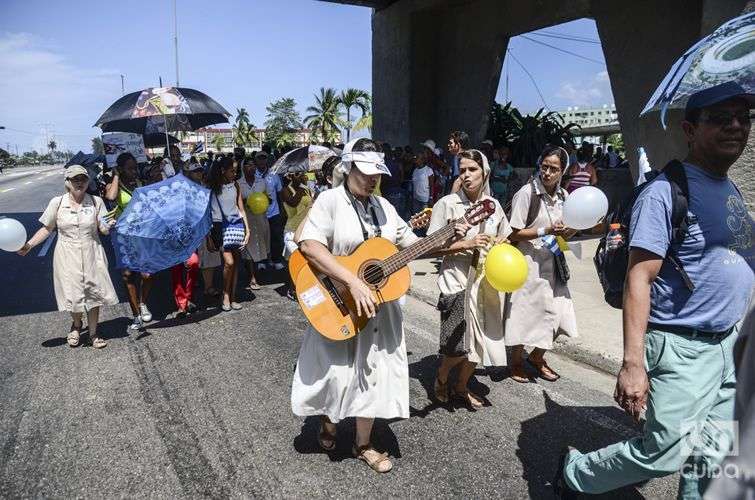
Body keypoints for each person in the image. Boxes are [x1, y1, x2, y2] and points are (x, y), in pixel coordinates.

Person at [555, 81, 755, 499]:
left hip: (729, 345)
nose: (736, 126)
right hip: (681, 347)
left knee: (717, 454)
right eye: (720, 118)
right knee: (664, 452)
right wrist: (632, 364)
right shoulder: (665, 193)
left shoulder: (731, 189)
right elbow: (638, 278)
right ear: (689, 129)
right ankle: (577, 474)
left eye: (743, 117)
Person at [291, 137, 471, 473]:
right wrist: (353, 280)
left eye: (378, 173)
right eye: (367, 172)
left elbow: (413, 246)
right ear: (349, 167)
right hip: (339, 303)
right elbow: (310, 246)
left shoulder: (383, 207)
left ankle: (364, 444)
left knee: (373, 375)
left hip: (378, 309)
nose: (374, 179)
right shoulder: (330, 201)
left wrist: (449, 236)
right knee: (337, 373)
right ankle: (330, 422)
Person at [429, 149, 511, 409]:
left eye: (472, 169)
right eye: (462, 170)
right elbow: (430, 247)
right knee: (456, 344)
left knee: (481, 341)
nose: (466, 175)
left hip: (486, 280)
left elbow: (506, 236)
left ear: (484, 172)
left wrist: (499, 242)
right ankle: (442, 377)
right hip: (457, 277)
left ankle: (461, 387)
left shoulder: (494, 205)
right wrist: (464, 242)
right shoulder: (447, 204)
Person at [18, 165, 118, 348]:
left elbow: (103, 229)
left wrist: (109, 224)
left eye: (83, 179)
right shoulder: (57, 202)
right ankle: (77, 324)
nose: (80, 182)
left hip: (92, 250)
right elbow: (46, 228)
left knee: (93, 291)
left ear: (88, 181)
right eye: (75, 179)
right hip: (66, 253)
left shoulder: (96, 202)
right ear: (68, 182)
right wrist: (29, 245)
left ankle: (94, 333)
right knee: (72, 293)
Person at [505, 145, 578, 383]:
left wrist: (570, 231)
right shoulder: (527, 193)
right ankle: (516, 361)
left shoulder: (565, 197)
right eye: (544, 166)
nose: (547, 172)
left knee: (560, 314)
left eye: (553, 169)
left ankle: (536, 357)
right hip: (528, 263)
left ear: (562, 171)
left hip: (554, 262)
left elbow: (564, 234)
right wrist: (545, 230)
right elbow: (513, 233)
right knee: (524, 314)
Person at [104, 152, 153, 330]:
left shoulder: (140, 185)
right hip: (122, 235)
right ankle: (136, 315)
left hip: (141, 234)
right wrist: (116, 175)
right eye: (129, 168)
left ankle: (142, 303)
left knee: (147, 274)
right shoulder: (113, 185)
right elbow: (110, 197)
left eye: (135, 168)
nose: (134, 171)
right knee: (128, 275)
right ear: (121, 169)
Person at [208, 156, 250, 311]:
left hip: (237, 227)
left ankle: (232, 297)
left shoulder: (236, 185)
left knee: (236, 264)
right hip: (219, 228)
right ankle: (225, 295)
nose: (235, 173)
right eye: (232, 170)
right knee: (229, 263)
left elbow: (241, 209)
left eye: (236, 170)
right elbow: (208, 213)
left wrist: (248, 230)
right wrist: (208, 237)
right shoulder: (212, 187)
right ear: (223, 170)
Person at [170, 161, 203, 317]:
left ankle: (188, 298)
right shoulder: (176, 189)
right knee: (177, 271)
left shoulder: (202, 190)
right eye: (195, 171)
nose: (199, 174)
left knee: (193, 263)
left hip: (192, 237)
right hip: (175, 236)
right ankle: (181, 304)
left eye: (200, 171)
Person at [238, 155, 270, 291]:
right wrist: (246, 203)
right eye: (248, 165)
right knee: (249, 247)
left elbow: (268, 198)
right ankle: (252, 277)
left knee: (259, 245)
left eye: (253, 165)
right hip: (246, 219)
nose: (251, 167)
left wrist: (264, 201)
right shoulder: (238, 183)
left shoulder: (261, 182)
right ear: (243, 168)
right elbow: (235, 203)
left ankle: (253, 271)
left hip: (260, 218)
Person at [280, 171, 314, 299]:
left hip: (306, 231)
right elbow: (293, 203)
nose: (302, 176)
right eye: (297, 174)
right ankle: (293, 289)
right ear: (289, 176)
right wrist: (301, 188)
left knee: (301, 262)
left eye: (302, 174)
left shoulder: (306, 189)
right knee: (298, 260)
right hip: (291, 232)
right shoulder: (285, 190)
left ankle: (300, 288)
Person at [254, 151, 285, 270]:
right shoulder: (253, 174)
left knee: (275, 237)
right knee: (261, 237)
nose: (262, 161)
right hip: (259, 213)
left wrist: (282, 210)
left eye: (264, 158)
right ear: (256, 160)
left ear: (267, 160)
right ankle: (263, 260)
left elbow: (279, 193)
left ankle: (276, 259)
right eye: (259, 159)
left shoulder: (274, 175)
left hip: (274, 212)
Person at [411, 140, 435, 214]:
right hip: (416, 198)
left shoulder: (428, 170)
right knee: (416, 217)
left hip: (424, 200)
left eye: (417, 157)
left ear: (422, 160)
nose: (415, 159)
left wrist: (431, 198)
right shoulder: (415, 170)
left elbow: (431, 185)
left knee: (424, 218)